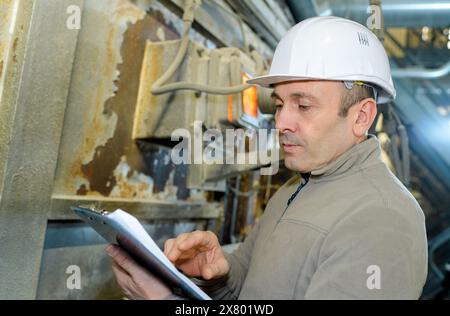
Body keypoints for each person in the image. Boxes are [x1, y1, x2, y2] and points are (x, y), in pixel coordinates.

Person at [106, 16, 428, 299]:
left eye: (303, 106)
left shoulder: (384, 221)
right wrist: (219, 274)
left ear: (361, 117)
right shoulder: (292, 190)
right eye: (278, 104)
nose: (282, 122)